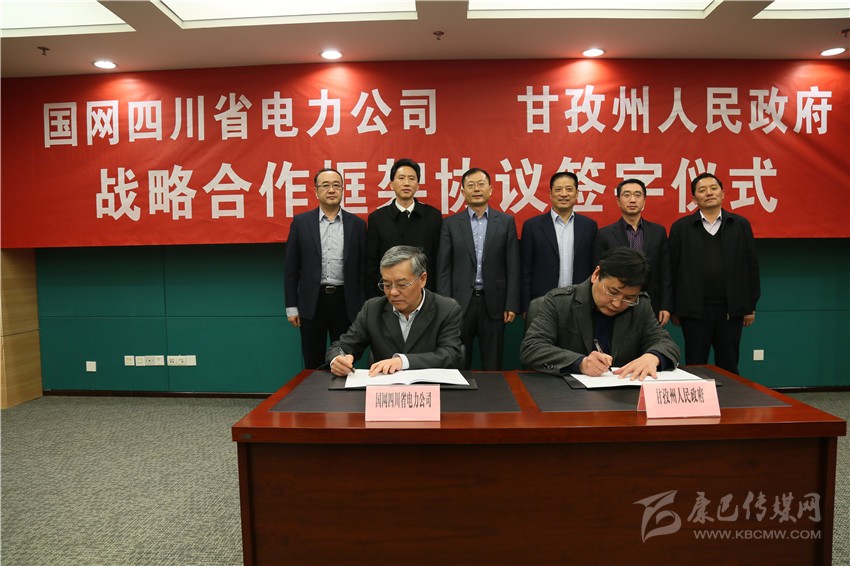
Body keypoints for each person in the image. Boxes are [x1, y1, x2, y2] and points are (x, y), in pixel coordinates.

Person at [520, 247, 680, 381]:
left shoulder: (640, 305)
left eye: (628, 298)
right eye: (612, 292)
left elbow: (665, 343)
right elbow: (532, 348)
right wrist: (580, 363)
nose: (617, 303)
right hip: (566, 394)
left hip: (622, 396)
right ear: (596, 274)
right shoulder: (559, 302)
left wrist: (653, 357)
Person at [668, 172, 760, 374]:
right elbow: (671, 269)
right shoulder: (681, 228)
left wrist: (750, 305)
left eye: (713, 188)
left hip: (730, 310)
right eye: (702, 190)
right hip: (694, 312)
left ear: (723, 193)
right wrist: (674, 308)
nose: (709, 193)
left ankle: (730, 396)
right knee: (695, 364)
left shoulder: (740, 225)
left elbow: (751, 266)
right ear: (694, 199)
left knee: (729, 365)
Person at [327, 246, 463, 376]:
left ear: (422, 279)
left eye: (402, 285)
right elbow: (342, 346)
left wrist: (403, 362)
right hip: (385, 389)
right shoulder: (372, 309)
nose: (393, 292)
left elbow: (450, 355)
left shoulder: (446, 309)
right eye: (387, 285)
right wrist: (337, 359)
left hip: (431, 389)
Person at [436, 167, 520, 370]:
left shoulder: (506, 221)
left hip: (495, 303)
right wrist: (445, 304)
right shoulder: (450, 224)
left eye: (481, 184)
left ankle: (494, 392)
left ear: (490, 189)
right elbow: (443, 268)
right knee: (458, 361)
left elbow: (513, 264)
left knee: (493, 363)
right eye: (471, 185)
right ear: (462, 192)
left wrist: (511, 303)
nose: (476, 189)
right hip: (459, 304)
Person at [285, 168, 366, 369]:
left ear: (343, 189)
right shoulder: (301, 223)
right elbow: (291, 268)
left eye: (336, 185)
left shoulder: (357, 224)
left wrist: (362, 306)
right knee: (313, 362)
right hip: (313, 302)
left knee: (345, 360)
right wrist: (292, 306)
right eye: (325, 185)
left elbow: (363, 270)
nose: (331, 190)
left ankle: (342, 392)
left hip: (346, 302)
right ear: (316, 191)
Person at [595, 178, 673, 326]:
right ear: (618, 201)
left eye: (637, 195)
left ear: (644, 201)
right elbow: (600, 274)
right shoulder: (604, 234)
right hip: (616, 303)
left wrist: (666, 305)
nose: (632, 200)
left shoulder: (658, 232)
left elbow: (665, 271)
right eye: (626, 195)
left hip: (651, 302)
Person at [521, 171, 597, 314]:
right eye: (558, 189)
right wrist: (526, 306)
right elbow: (525, 270)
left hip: (580, 302)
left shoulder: (589, 226)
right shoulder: (532, 226)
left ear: (577, 193)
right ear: (550, 194)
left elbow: (593, 268)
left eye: (569, 189)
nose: (563, 194)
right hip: (542, 302)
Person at [365, 158, 442, 297]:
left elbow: (438, 261)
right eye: (401, 178)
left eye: (411, 178)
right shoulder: (377, 218)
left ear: (418, 185)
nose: (406, 183)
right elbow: (371, 263)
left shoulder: (433, 217)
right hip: (388, 294)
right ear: (391, 185)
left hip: (424, 294)